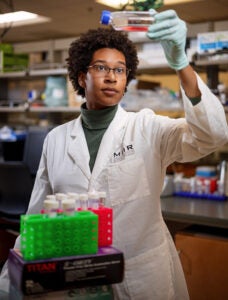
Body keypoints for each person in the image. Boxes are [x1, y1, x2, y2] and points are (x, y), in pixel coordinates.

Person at [1, 9, 228, 300]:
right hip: (75, 278)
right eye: (101, 68)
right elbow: (37, 217)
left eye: (119, 70)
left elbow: (213, 135)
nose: (111, 77)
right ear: (82, 77)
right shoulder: (56, 139)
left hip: (140, 277)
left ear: (127, 78)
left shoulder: (146, 127)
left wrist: (181, 63)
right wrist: (8, 281)